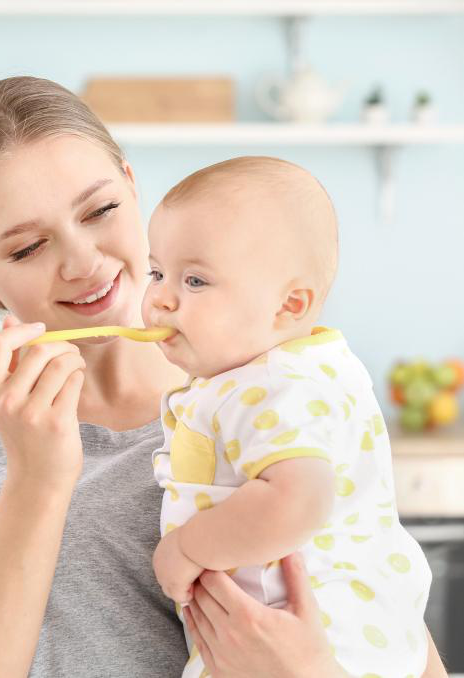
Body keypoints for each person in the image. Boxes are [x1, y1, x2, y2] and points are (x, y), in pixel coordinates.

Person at [0, 76, 449, 677]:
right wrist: (37, 480)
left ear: (132, 187)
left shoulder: (269, 389)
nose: (83, 262)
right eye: (27, 248)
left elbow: (385, 614)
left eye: (100, 211)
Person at [142, 156, 433, 677]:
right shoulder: (302, 369)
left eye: (196, 281)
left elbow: (298, 498)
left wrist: (187, 546)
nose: (160, 298)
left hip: (309, 638)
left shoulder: (274, 386)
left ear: (289, 306)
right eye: (157, 272)